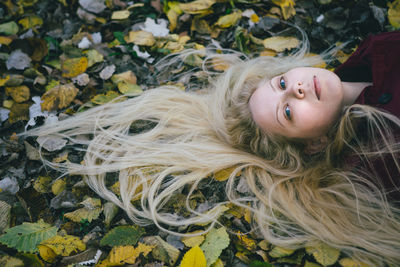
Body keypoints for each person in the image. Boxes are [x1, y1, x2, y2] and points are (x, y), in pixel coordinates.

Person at [25, 31, 400, 265]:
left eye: (283, 81)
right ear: (316, 143)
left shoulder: (372, 48)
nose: (296, 88)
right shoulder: (382, 151)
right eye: (288, 109)